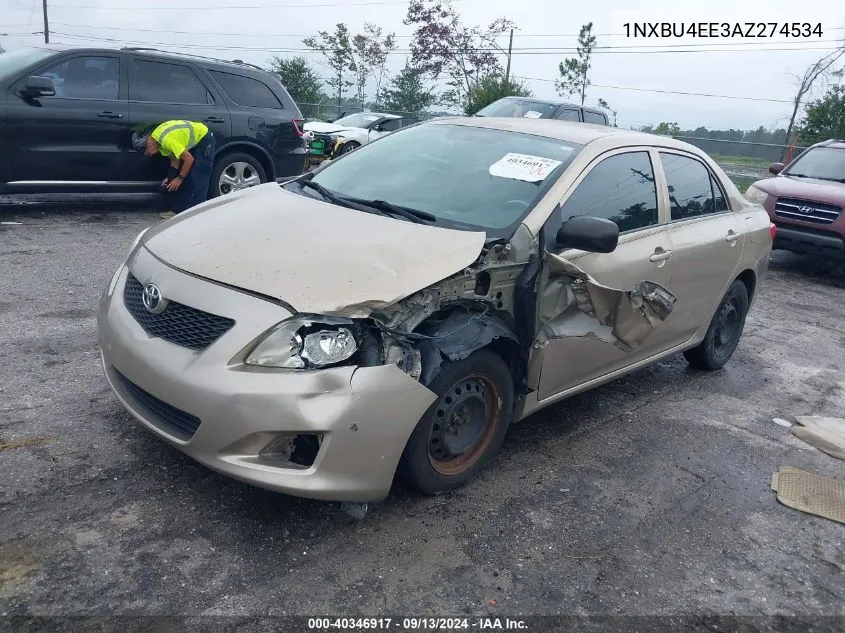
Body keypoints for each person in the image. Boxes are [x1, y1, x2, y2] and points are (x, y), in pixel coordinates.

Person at [131, 120, 216, 219]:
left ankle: (198, 215)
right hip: (192, 143)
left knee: (199, 176)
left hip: (204, 138)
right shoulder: (159, 144)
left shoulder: (166, 140)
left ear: (149, 144)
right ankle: (178, 211)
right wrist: (170, 178)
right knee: (185, 175)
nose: (152, 155)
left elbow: (189, 159)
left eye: (149, 152)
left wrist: (179, 179)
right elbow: (175, 160)